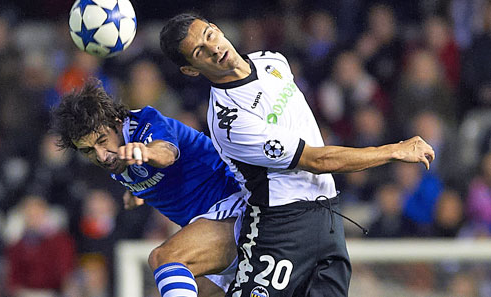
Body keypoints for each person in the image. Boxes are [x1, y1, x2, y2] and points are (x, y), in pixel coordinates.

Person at [159, 13, 435, 297]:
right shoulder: (229, 119)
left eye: (209, 36)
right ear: (191, 70)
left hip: (328, 217)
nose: (213, 48)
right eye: (199, 52)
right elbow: (318, 161)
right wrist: (394, 150)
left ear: (216, 29)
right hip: (281, 227)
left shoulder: (272, 60)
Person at [50, 78, 248, 297]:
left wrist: (145, 152)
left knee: (164, 258)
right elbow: (147, 177)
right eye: (88, 150)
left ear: (116, 122)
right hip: (210, 227)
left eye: (102, 140)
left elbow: (166, 154)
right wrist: (134, 193)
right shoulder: (116, 159)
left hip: (233, 204)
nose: (100, 155)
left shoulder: (145, 122)